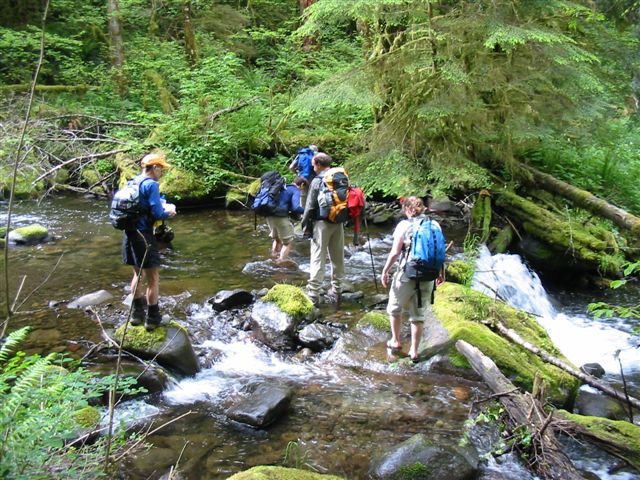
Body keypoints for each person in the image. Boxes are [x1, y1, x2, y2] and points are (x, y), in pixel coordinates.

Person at [380, 196, 445, 362]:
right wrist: (441, 272)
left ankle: (395, 341)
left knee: (394, 307)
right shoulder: (434, 224)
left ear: (408, 209)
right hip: (429, 274)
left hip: (407, 273)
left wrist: (385, 270)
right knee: (418, 315)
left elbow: (395, 252)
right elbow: (439, 251)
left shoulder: (404, 225)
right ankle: (414, 352)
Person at [122, 153, 177, 330]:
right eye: (161, 168)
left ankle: (137, 315)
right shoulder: (151, 184)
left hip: (129, 233)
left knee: (137, 275)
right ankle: (153, 319)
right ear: (154, 168)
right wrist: (169, 212)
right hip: (144, 236)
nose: (161, 172)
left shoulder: (133, 182)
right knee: (153, 278)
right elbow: (157, 213)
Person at [300, 152, 345, 305]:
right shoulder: (340, 177)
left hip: (321, 224)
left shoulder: (318, 181)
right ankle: (337, 290)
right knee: (337, 257)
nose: (313, 167)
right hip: (338, 222)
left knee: (318, 256)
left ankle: (313, 293)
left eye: (313, 164)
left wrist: (305, 224)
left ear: (318, 164)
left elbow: (310, 206)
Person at [265, 176, 307, 262]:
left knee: (276, 239)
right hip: (280, 217)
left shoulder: (282, 187)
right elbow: (295, 208)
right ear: (302, 184)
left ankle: (273, 257)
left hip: (268, 215)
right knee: (287, 243)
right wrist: (306, 211)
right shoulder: (295, 190)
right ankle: (281, 263)